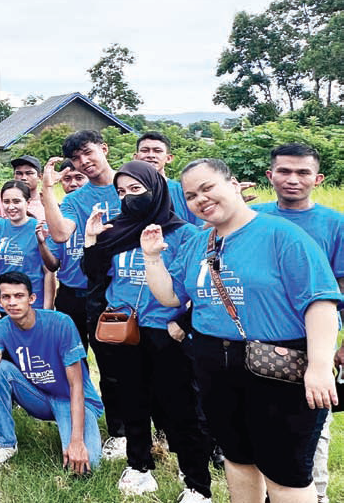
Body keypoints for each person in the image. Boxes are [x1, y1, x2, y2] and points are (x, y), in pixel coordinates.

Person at [142, 158, 340, 503]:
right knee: (237, 458)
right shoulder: (197, 244)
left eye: (207, 188)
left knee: (286, 473)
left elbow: (320, 301)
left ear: (234, 186)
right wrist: (152, 258)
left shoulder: (282, 234)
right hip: (214, 364)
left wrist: (320, 367)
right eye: (191, 195)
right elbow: (171, 295)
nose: (200, 199)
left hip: (278, 367)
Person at [81, 161, 212, 500]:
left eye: (135, 190)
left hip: (165, 332)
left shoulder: (185, 235)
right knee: (132, 402)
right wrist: (92, 239)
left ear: (156, 190)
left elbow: (202, 289)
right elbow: (95, 274)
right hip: (123, 330)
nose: (127, 199)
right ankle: (139, 466)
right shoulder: (118, 230)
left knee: (180, 407)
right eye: (121, 192)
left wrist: (182, 325)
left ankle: (196, 481)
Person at [251, 143, 344, 503]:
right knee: (256, 427)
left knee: (310, 427)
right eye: (284, 171)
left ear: (318, 178)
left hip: (310, 345)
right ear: (269, 175)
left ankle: (314, 494)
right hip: (253, 344)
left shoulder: (335, 225)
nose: (293, 179)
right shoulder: (252, 217)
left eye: (303, 172)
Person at [41, 130, 127, 458]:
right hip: (78, 292)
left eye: (88, 153)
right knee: (75, 361)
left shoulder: (129, 186)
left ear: (104, 149)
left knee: (115, 364)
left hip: (121, 291)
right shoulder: (76, 198)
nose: (84, 162)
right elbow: (61, 234)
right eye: (76, 159)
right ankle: (87, 420)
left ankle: (123, 430)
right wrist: (47, 188)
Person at [0, 272, 103, 474]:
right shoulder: (0, 329)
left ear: (31, 298)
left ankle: (77, 434)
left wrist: (76, 441)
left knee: (86, 467)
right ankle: (5, 443)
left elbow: (76, 385)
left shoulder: (60, 323)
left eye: (19, 296)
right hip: (40, 397)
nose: (12, 302)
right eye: (6, 297)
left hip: (74, 400)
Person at [0, 180, 54, 308]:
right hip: (0, 303)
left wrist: (48, 309)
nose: (11, 207)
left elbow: (49, 272)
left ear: (27, 203)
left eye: (16, 201)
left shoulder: (39, 229)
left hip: (30, 304)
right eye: (6, 202)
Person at [42, 160, 90, 349]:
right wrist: (41, 243)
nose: (73, 184)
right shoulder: (57, 217)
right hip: (70, 294)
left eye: (79, 178)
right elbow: (53, 265)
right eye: (67, 179)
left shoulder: (102, 210)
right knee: (73, 352)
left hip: (101, 293)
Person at [133, 132, 203, 225]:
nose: (151, 155)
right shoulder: (126, 193)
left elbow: (201, 230)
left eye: (157, 151)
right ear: (136, 157)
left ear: (169, 158)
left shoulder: (184, 192)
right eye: (145, 150)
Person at [0, 153, 46, 220]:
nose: (23, 177)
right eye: (19, 173)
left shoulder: (45, 204)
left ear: (40, 177)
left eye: (29, 173)